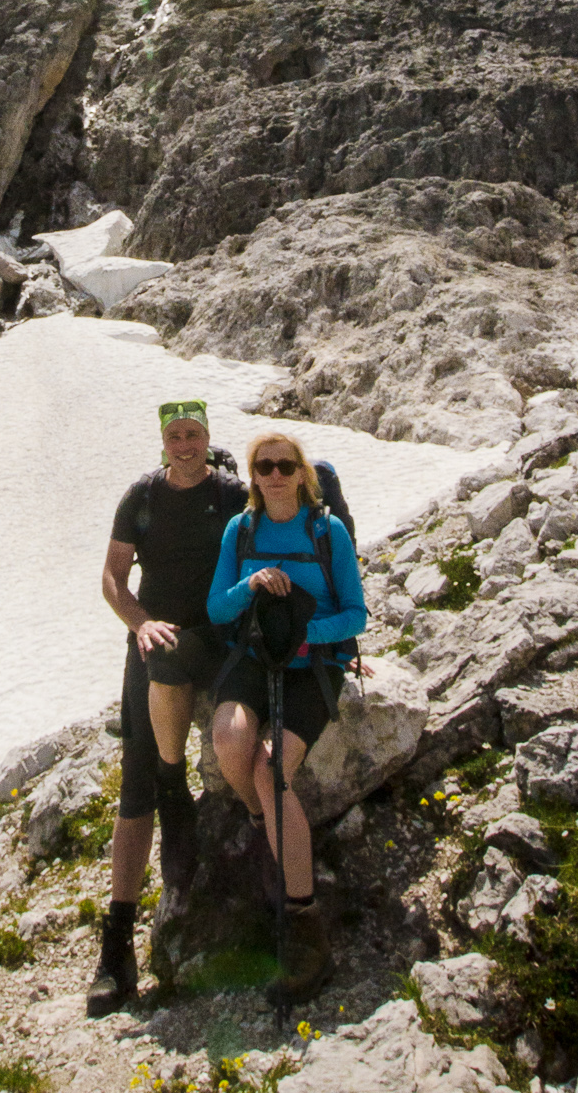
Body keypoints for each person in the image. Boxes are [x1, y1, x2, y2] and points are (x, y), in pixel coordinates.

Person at [86, 398, 248, 1017]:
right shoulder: (142, 497)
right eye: (174, 435)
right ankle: (116, 948)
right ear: (163, 440)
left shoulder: (231, 495)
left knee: (160, 772)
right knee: (135, 791)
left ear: (207, 437)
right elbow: (113, 576)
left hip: (216, 639)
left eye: (193, 433)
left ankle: (183, 809)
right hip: (154, 644)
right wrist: (141, 623)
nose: (184, 444)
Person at [208, 429, 367, 1006]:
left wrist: (306, 637)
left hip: (313, 665)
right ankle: (262, 823)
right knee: (230, 740)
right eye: (264, 466)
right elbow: (216, 607)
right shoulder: (240, 530)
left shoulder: (327, 531)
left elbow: (356, 614)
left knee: (271, 770)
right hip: (253, 658)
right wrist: (249, 583)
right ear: (253, 476)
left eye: (285, 465)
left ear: (303, 474)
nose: (274, 475)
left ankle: (306, 928)